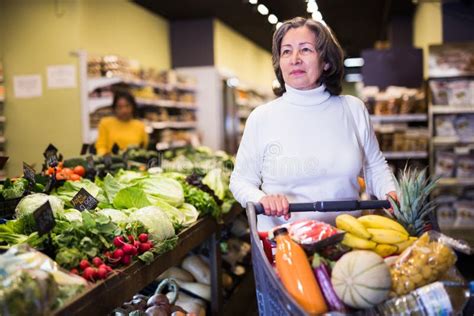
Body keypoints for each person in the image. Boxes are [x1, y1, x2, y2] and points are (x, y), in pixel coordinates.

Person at [230, 17, 397, 231]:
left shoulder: (352, 109)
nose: (295, 59)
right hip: (283, 243)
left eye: (305, 50)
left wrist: (390, 191)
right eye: (286, 51)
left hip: (347, 237)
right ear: (279, 64)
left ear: (326, 61)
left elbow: (374, 166)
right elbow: (241, 181)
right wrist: (262, 199)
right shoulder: (262, 117)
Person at [95, 91, 149, 155]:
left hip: (135, 162)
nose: (124, 110)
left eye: (127, 106)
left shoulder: (140, 125)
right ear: (114, 108)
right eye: (119, 107)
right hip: (111, 162)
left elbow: (143, 148)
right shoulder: (105, 123)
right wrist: (104, 158)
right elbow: (101, 147)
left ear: (133, 107)